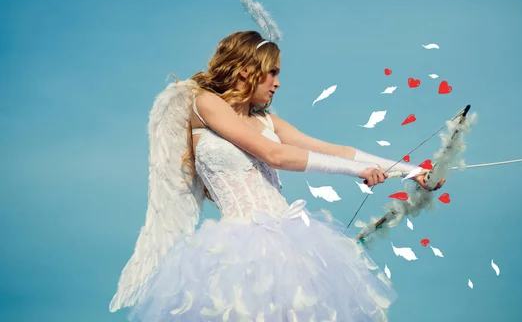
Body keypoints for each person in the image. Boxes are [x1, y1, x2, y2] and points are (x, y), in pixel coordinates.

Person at [109, 31, 445, 322]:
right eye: (271, 73)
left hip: (292, 245)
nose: (278, 83)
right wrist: (359, 172)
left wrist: (410, 170)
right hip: (237, 250)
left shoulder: (266, 120)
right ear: (244, 70)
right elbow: (275, 155)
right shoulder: (205, 105)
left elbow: (335, 149)